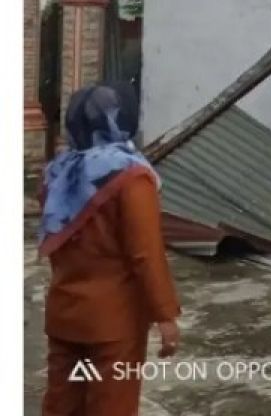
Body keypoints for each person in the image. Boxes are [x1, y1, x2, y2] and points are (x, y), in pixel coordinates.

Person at [40, 83, 182, 416]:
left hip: (65, 313)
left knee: (63, 406)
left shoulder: (58, 174)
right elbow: (145, 253)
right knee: (111, 407)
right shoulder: (131, 179)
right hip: (114, 324)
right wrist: (165, 315)